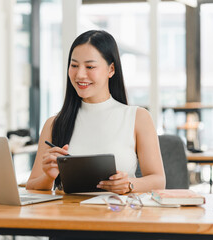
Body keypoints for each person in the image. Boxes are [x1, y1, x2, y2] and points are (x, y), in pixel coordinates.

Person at [26, 30, 165, 194]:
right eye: (74, 65)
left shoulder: (137, 117)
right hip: (68, 216)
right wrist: (49, 177)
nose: (80, 74)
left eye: (90, 66)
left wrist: (129, 184)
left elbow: (158, 180)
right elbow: (32, 185)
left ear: (111, 69)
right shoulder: (54, 124)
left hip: (118, 213)